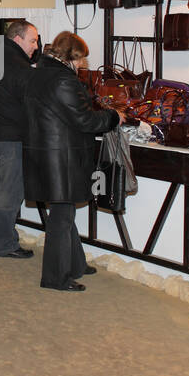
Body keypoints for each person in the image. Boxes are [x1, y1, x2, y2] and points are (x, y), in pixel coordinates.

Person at [23, 32, 123, 292]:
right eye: (80, 59)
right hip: (61, 156)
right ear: (70, 56)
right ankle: (55, 278)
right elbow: (85, 120)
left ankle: (76, 264)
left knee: (63, 212)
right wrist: (113, 116)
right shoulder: (63, 80)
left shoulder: (37, 74)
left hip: (44, 153)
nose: (82, 65)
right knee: (62, 216)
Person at [0, 19, 40, 259]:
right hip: (10, 137)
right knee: (9, 194)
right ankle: (4, 244)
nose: (36, 46)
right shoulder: (18, 64)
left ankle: (5, 237)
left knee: (0, 190)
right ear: (17, 38)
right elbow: (32, 99)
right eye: (32, 40)